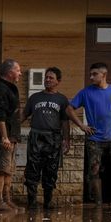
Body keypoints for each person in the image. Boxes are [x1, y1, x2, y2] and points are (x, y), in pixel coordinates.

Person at [66, 62, 111, 210]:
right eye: (90, 74)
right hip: (94, 140)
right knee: (94, 169)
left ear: (103, 75)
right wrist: (82, 126)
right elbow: (69, 109)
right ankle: (97, 203)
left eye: (94, 74)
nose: (91, 77)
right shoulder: (85, 92)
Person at [21, 67, 70, 210]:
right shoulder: (35, 97)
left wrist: (66, 140)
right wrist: (11, 129)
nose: (47, 80)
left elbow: (65, 122)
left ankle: (48, 202)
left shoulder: (62, 99)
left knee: (51, 170)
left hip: (53, 138)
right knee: (32, 169)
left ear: (58, 81)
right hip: (36, 135)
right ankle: (32, 202)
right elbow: (24, 115)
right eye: (46, 77)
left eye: (51, 78)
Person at [0, 59, 22, 211]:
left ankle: (7, 200)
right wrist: (4, 137)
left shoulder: (11, 88)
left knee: (8, 170)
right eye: (18, 70)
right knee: (1, 169)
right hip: (2, 135)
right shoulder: (0, 88)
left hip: (12, 134)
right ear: (9, 72)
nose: (20, 73)